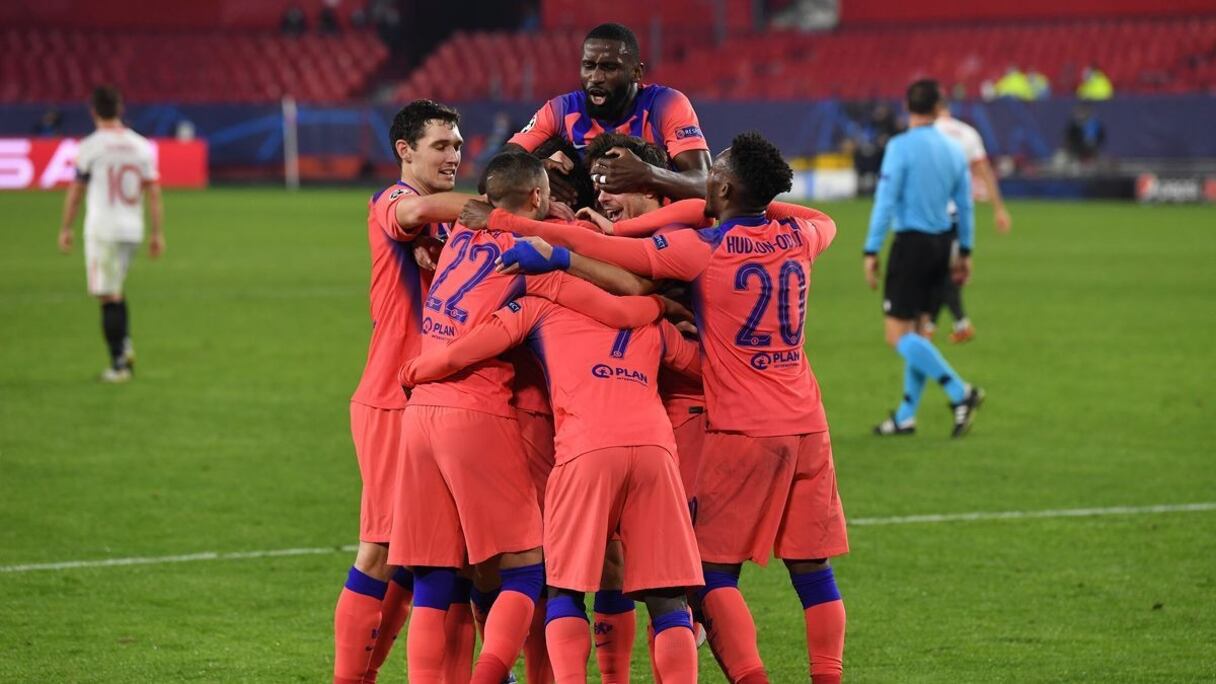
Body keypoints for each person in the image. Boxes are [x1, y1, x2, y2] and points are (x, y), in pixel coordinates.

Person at [468, 132, 849, 684]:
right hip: (809, 422)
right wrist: (738, 197)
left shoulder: (704, 248)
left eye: (713, 173)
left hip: (740, 425)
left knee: (711, 577)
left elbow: (623, 261)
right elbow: (821, 217)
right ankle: (828, 676)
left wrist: (523, 231)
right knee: (814, 571)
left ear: (723, 186)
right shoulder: (801, 234)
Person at [388, 151, 681, 684]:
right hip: (478, 412)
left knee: (434, 577)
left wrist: (417, 370)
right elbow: (626, 298)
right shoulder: (529, 256)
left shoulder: (457, 234)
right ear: (538, 200)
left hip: (420, 414)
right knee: (529, 569)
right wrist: (660, 306)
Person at [335, 99, 480, 684]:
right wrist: (495, 211)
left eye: (458, 144)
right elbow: (413, 210)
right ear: (405, 151)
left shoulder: (444, 222)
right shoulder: (394, 202)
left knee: (452, 556)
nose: (454, 154)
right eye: (441, 145)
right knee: (382, 548)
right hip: (395, 397)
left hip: (443, 401)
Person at [864, 80, 985, 437]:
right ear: (939, 106)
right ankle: (906, 415)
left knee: (897, 336)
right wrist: (965, 250)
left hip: (911, 245)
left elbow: (885, 201)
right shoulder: (953, 150)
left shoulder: (900, 147)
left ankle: (959, 391)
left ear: (907, 106)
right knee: (920, 332)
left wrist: (871, 249)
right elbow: (964, 205)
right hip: (942, 245)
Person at [504, 22, 711, 205]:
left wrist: (647, 174)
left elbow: (705, 183)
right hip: (589, 221)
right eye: (589, 66)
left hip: (656, 227)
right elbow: (496, 170)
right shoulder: (560, 109)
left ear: (636, 73)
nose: (596, 77)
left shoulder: (667, 104)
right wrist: (536, 173)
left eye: (609, 67)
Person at [57, 86, 164, 383]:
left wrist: (66, 228)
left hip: (104, 229)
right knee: (115, 289)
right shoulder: (142, 146)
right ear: (121, 109)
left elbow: (76, 192)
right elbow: (154, 193)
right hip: (133, 229)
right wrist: (158, 233)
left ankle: (119, 364)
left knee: (108, 295)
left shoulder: (91, 146)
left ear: (93, 111)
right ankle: (125, 348)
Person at [932, 96, 1012, 343]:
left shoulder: (923, 133)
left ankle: (946, 324)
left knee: (936, 272)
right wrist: (999, 209)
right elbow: (984, 172)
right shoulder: (968, 134)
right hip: (958, 214)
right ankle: (944, 324)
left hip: (930, 215)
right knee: (943, 271)